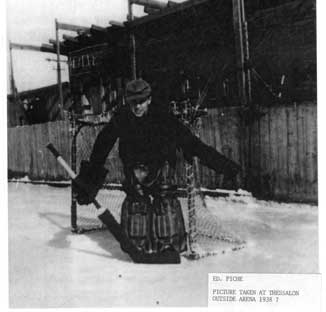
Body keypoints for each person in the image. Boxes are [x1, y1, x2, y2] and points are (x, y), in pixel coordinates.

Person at [74, 79, 241, 257]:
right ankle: (139, 243)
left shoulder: (163, 117)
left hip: (160, 166)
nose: (137, 106)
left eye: (141, 102)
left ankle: (169, 243)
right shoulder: (121, 118)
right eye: (133, 102)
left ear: (149, 100)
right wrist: (89, 181)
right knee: (137, 205)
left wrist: (226, 167)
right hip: (134, 167)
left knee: (164, 204)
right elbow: (102, 145)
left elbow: (193, 145)